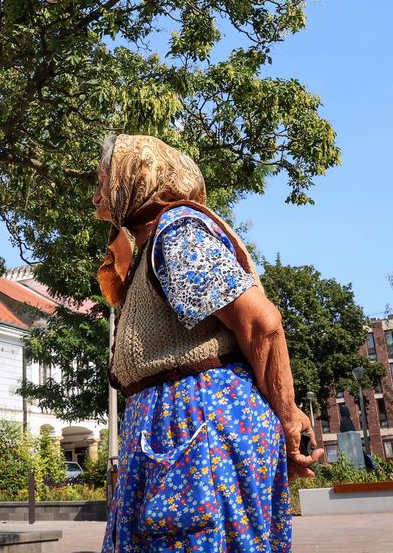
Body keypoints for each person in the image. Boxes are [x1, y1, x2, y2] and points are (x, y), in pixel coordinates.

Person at [93, 134, 323, 552]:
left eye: (103, 180)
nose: (95, 196)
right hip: (180, 428)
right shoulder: (152, 245)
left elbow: (261, 323)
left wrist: (288, 416)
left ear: (137, 177)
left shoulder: (177, 234)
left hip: (196, 424)